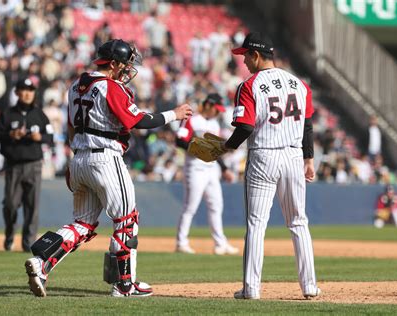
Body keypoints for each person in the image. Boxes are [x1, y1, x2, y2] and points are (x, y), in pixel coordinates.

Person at [24, 39, 192, 298]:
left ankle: (42, 262)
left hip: (79, 157)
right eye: (124, 65)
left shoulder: (75, 86)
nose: (127, 70)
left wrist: (76, 160)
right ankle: (124, 285)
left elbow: (70, 128)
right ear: (112, 63)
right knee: (126, 221)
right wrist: (174, 114)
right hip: (105, 159)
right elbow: (136, 120)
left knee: (82, 224)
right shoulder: (110, 86)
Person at [221, 32, 320, 299]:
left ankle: (251, 289)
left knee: (256, 224)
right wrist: (308, 159)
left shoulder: (249, 85)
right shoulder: (299, 84)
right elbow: (307, 125)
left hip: (264, 155)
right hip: (293, 156)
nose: (244, 62)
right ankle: (309, 286)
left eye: (245, 56)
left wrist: (226, 147)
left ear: (255, 55)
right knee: (299, 222)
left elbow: (244, 126)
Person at [0, 78, 54, 252]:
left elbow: (50, 136)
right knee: (11, 204)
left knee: (32, 207)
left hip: (34, 165)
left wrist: (39, 138)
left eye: (30, 90)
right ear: (17, 92)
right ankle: (10, 234)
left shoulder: (39, 115)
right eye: (24, 90)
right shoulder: (8, 114)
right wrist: (11, 134)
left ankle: (28, 244)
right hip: (14, 165)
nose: (27, 93)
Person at [175, 93, 238, 255]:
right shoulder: (192, 119)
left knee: (216, 205)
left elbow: (214, 151)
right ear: (209, 105)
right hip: (195, 167)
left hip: (211, 169)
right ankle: (181, 242)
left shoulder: (215, 124)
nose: (218, 113)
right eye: (216, 109)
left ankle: (220, 244)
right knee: (190, 206)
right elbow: (180, 141)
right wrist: (200, 149)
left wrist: (224, 169)